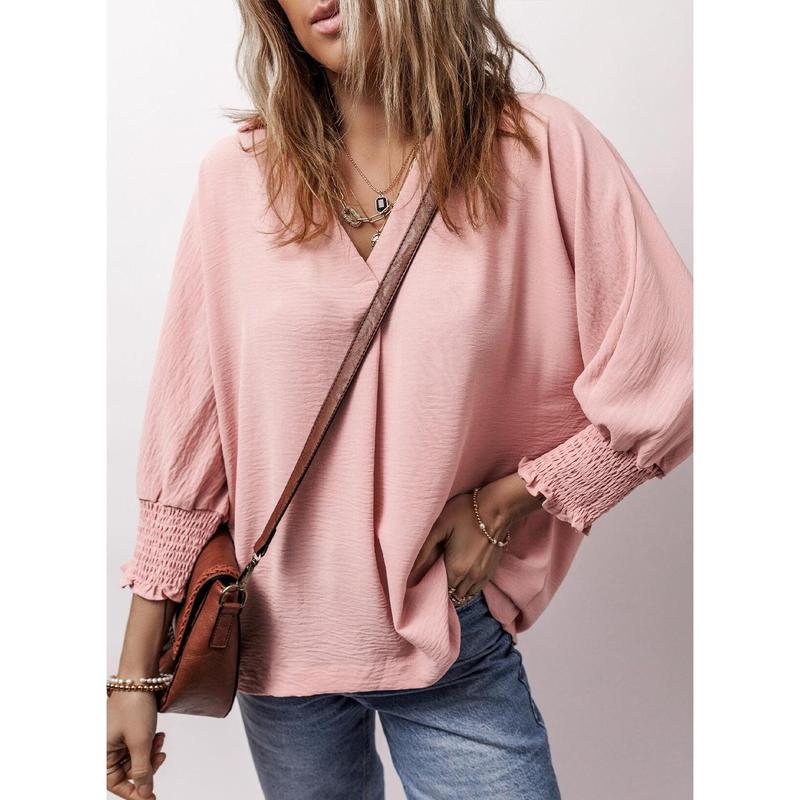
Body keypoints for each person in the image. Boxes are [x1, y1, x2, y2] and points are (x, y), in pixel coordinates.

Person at [107, 1, 693, 798]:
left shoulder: (538, 147)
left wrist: (508, 502)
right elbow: (189, 436)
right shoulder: (237, 178)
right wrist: (134, 675)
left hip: (447, 636)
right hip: (275, 645)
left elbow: (677, 367)